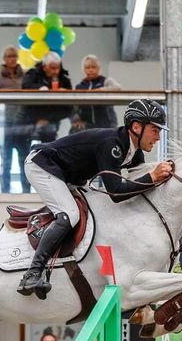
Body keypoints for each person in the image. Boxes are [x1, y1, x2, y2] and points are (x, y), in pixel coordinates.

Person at [18, 99, 173, 298]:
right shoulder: (112, 145)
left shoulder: (134, 152)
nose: (158, 137)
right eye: (155, 130)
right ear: (136, 127)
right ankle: (32, 273)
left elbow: (139, 186)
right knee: (70, 214)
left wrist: (161, 175)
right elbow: (116, 192)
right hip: (42, 164)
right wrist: (153, 177)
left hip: (69, 176)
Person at [19, 52, 73, 151]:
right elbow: (25, 87)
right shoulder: (32, 74)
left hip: (52, 121)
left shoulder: (64, 79)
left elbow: (68, 108)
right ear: (44, 67)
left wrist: (65, 93)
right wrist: (40, 88)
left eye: (58, 68)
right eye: (53, 68)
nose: (56, 71)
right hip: (29, 120)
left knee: (48, 149)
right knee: (23, 148)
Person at [0, 46, 29, 193]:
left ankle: (26, 190)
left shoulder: (25, 75)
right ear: (4, 59)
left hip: (22, 121)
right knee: (6, 159)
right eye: (9, 57)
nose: (11, 59)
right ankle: (5, 191)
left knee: (24, 159)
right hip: (5, 122)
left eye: (14, 56)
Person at [71, 55, 121, 132]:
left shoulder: (106, 81)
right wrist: (76, 119)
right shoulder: (79, 86)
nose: (91, 70)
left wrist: (100, 90)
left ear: (98, 68)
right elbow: (75, 107)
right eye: (87, 68)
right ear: (84, 70)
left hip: (107, 123)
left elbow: (118, 88)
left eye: (93, 67)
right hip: (87, 125)